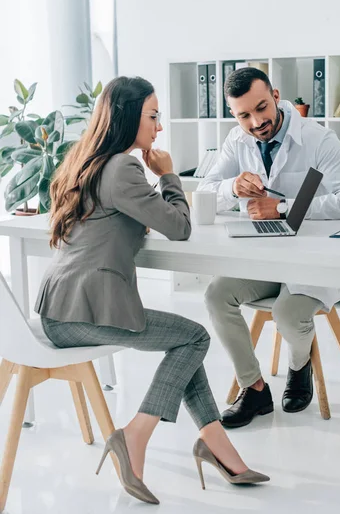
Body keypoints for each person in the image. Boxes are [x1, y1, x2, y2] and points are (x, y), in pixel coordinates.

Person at [34, 76, 269, 504]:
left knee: (185, 344)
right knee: (194, 337)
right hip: (82, 314)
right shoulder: (124, 167)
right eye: (153, 116)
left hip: (59, 309)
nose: (159, 127)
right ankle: (134, 435)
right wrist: (168, 174)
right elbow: (178, 227)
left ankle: (220, 451)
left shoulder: (86, 160)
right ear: (127, 118)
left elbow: (123, 219)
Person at [198, 67, 340, 428]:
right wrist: (232, 188)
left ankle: (299, 364)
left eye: (261, 108)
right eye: (244, 115)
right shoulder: (236, 140)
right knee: (216, 295)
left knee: (288, 314)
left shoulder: (318, 139)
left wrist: (286, 207)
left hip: (315, 264)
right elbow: (205, 191)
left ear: (276, 96)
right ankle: (255, 388)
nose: (256, 121)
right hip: (264, 260)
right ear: (234, 114)